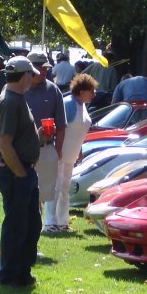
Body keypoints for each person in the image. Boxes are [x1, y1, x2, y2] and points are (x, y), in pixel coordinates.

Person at [0, 56, 44, 287]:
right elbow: (4, 143)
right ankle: (9, 275)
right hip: (16, 173)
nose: (34, 77)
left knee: (31, 225)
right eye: (32, 74)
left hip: (23, 171)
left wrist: (37, 138)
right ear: (25, 76)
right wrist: (21, 174)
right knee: (17, 226)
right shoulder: (11, 101)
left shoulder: (15, 98)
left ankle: (22, 272)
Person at [43, 73, 96, 232]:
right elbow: (58, 128)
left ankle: (62, 222)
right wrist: (57, 149)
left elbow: (77, 131)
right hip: (60, 152)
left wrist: (79, 149)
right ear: (82, 91)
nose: (94, 94)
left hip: (70, 154)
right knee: (55, 188)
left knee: (64, 188)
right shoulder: (68, 104)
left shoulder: (82, 105)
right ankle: (49, 223)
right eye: (91, 91)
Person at [24, 51, 67, 231]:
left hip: (47, 147)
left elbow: (62, 125)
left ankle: (50, 223)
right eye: (39, 68)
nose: (43, 71)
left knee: (49, 187)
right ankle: (32, 221)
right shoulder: (20, 89)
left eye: (45, 68)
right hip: (24, 148)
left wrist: (57, 150)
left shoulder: (53, 89)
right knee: (28, 188)